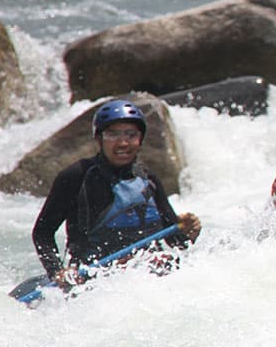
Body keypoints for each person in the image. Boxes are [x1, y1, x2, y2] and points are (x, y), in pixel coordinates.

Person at [31, 99, 202, 287]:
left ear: (140, 139)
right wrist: (57, 272)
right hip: (95, 281)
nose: (123, 143)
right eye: (112, 134)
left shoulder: (148, 179)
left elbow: (174, 241)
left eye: (131, 135)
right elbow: (42, 233)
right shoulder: (76, 177)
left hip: (146, 278)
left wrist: (188, 232)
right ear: (99, 138)